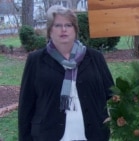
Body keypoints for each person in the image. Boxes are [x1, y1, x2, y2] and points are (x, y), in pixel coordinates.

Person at [18, 5, 114, 141]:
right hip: (48, 134)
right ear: (50, 30)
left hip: (92, 134)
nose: (63, 29)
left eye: (68, 25)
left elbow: (113, 93)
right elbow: (26, 105)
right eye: (58, 25)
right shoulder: (36, 60)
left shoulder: (95, 57)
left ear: (75, 30)